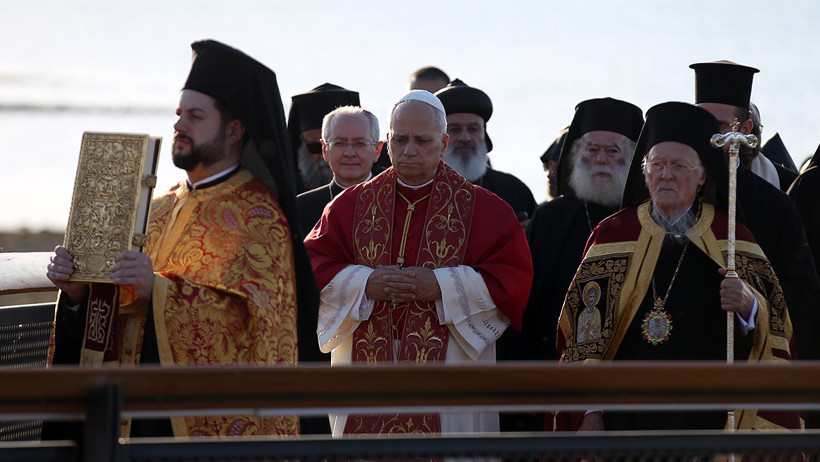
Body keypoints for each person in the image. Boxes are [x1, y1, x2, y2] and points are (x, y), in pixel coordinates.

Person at [46, 39, 318, 437]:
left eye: (194, 116)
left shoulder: (259, 217)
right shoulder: (156, 207)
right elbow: (114, 316)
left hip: (192, 428)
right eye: (178, 114)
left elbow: (254, 330)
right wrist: (77, 294)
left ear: (234, 130)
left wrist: (155, 291)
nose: (178, 125)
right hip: (128, 416)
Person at [555, 101, 799, 432]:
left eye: (679, 166)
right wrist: (588, 411)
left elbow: (775, 329)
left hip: (706, 415)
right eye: (657, 165)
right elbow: (585, 333)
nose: (666, 175)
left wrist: (748, 305)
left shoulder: (731, 237)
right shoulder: (613, 235)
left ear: (702, 176)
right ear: (645, 171)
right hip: (624, 416)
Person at [304, 90, 532, 437]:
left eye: (422, 140)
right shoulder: (349, 207)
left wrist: (441, 285)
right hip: (366, 372)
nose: (409, 150)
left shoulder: (487, 211)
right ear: (388, 142)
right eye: (401, 139)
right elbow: (312, 265)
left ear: (442, 143)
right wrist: (365, 283)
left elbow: (512, 280)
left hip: (449, 375)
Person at [691, 60, 820, 366]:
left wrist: (753, 305)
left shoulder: (775, 207)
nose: (709, 137)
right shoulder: (674, 195)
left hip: (750, 369)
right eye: (700, 123)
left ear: (746, 130)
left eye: (720, 126)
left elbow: (804, 297)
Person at [524, 97, 643, 361]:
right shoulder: (549, 218)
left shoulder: (649, 217)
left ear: (633, 158)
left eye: (612, 151)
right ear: (577, 153)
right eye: (592, 150)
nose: (600, 159)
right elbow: (529, 306)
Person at [435, 79, 537, 225]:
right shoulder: (419, 186)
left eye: (473, 129)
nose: (465, 138)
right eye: (454, 129)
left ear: (484, 135)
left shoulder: (513, 189)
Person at [297, 106, 383, 256]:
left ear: (377, 150)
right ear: (324, 150)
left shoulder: (398, 201)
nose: (349, 153)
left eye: (360, 143)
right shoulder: (301, 208)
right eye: (339, 143)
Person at [287, 83, 360, 192]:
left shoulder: (382, 188)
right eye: (315, 147)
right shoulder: (287, 197)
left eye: (337, 144)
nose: (324, 155)